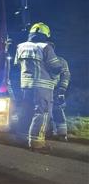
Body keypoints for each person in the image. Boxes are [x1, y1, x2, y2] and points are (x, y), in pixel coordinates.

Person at [14, 22, 65, 151]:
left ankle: (22, 138)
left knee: (26, 111)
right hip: (42, 87)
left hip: (25, 85)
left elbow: (16, 66)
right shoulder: (46, 47)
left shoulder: (20, 46)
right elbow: (56, 67)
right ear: (45, 35)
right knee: (42, 113)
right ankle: (37, 143)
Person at [49, 51, 71, 141]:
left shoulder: (61, 61)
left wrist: (61, 89)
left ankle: (62, 134)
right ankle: (50, 131)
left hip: (55, 89)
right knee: (45, 111)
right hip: (45, 88)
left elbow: (65, 75)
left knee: (57, 110)